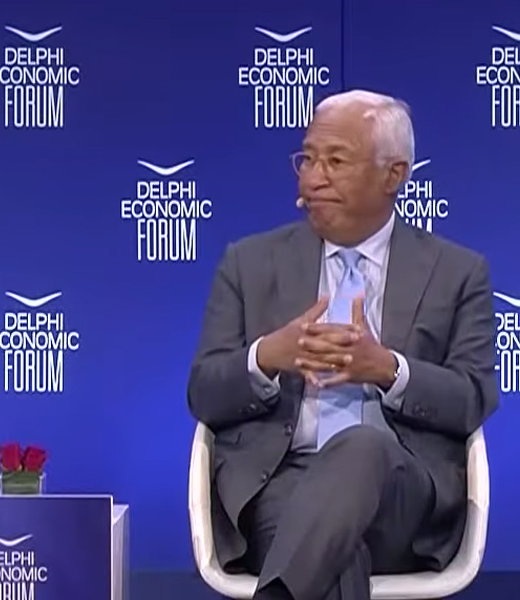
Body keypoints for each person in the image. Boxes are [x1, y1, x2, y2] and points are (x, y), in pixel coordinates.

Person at [186, 90, 497, 600]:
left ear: (394, 175)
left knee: (361, 448)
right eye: (307, 159)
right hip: (280, 482)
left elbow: (472, 399)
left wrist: (389, 371)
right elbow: (204, 392)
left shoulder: (457, 272)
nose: (313, 177)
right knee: (330, 553)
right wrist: (267, 357)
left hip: (401, 494)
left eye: (335, 161)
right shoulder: (249, 263)